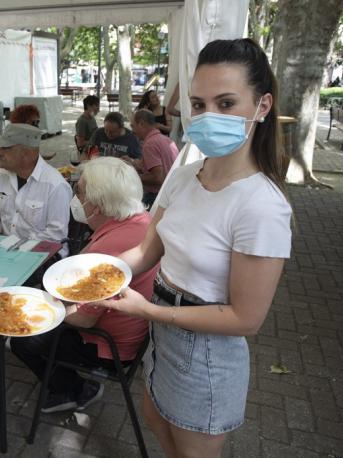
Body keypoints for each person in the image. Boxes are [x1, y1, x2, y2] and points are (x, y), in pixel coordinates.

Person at [92, 38, 293, 457]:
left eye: (226, 103)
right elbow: (147, 252)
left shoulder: (262, 206)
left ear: (262, 106)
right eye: (199, 105)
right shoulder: (183, 177)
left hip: (205, 354)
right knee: (155, 419)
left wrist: (146, 309)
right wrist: (90, 274)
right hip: (161, 333)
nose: (208, 116)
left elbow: (245, 318)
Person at [11, 157, 157, 413]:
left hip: (110, 345)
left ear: (98, 206)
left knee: (21, 340)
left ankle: (76, 390)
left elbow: (83, 320)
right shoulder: (142, 220)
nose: (75, 198)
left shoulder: (107, 250)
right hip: (136, 333)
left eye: (79, 192)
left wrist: (35, 310)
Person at [0, 123, 71, 257]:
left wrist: (16, 249)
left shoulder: (56, 185)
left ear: (26, 154)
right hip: (4, 252)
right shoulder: (2, 171)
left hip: (41, 258)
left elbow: (54, 237)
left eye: (6, 148)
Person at [129, 109, 180, 207]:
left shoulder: (150, 144)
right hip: (172, 194)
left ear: (141, 124)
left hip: (156, 197)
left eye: (133, 126)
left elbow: (157, 178)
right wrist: (135, 163)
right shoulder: (166, 140)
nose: (132, 131)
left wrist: (131, 177)